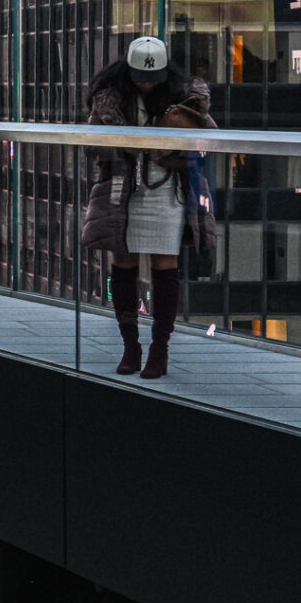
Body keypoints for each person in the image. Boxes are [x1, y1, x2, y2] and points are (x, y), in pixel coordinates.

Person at [83, 34, 215, 378]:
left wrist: (173, 150)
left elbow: (207, 141)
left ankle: (160, 348)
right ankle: (131, 345)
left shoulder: (185, 97)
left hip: (167, 189)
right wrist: (126, 147)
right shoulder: (109, 100)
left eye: (152, 78)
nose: (145, 84)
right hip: (122, 189)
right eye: (140, 76)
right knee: (123, 263)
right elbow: (91, 145)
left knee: (164, 265)